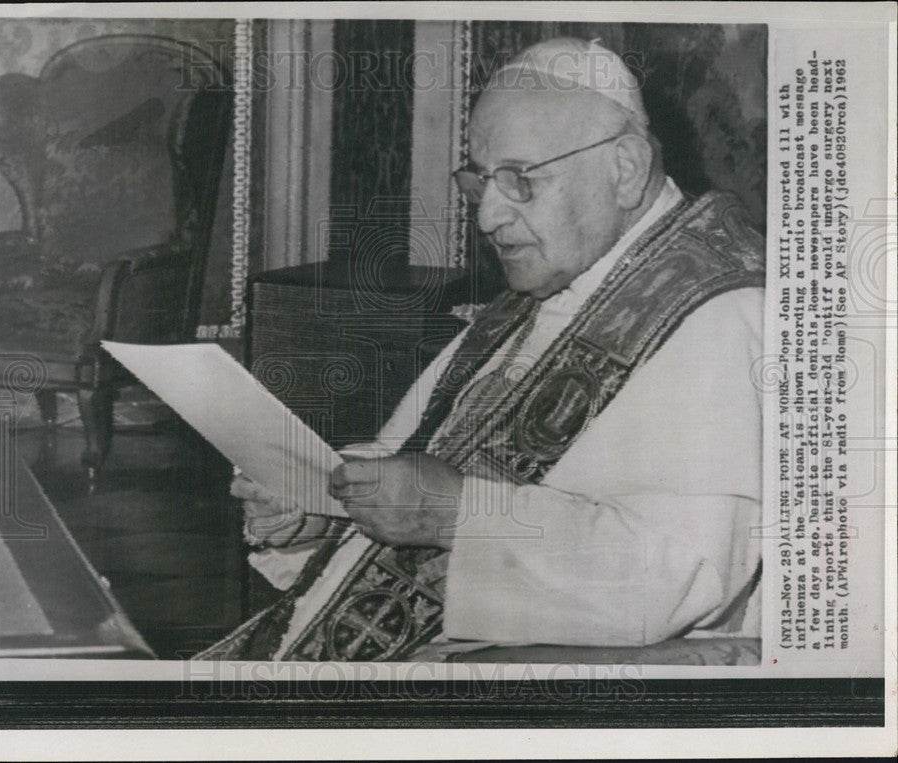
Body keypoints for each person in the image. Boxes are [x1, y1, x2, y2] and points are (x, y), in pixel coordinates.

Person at [197, 37, 764, 662]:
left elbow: (675, 581)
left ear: (625, 169)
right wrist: (320, 510)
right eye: (479, 181)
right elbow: (413, 462)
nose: (488, 215)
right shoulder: (552, 285)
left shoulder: (722, 312)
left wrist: (454, 514)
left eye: (521, 179)